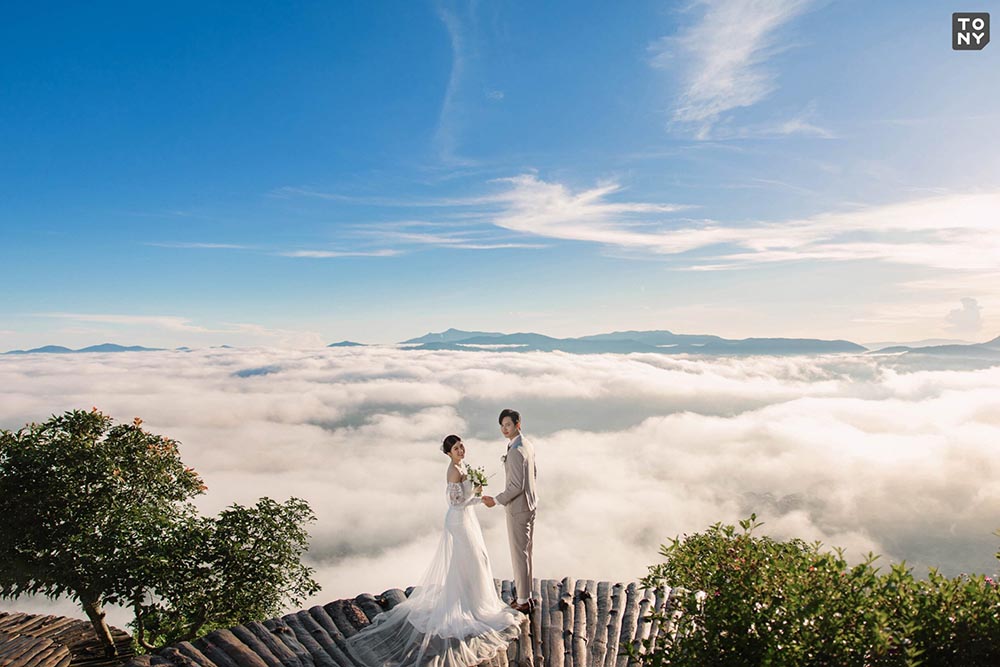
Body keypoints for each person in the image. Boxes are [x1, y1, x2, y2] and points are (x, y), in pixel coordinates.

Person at [346, 435, 520, 667]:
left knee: (475, 560)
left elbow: (465, 496)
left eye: (461, 446)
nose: (461, 450)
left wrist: (477, 494)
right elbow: (455, 503)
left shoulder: (462, 466)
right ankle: (467, 605)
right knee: (471, 560)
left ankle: (473, 600)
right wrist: (480, 499)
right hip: (459, 520)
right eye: (456, 448)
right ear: (448, 452)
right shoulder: (453, 470)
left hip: (467, 519)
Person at [482, 409, 537, 614]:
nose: (504, 429)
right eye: (502, 425)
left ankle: (522, 600)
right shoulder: (527, 444)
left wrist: (496, 500)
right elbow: (533, 474)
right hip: (530, 505)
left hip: (518, 509)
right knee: (526, 552)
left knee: (519, 554)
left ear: (517, 424)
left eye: (508, 424)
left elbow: (516, 487)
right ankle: (526, 594)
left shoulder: (515, 451)